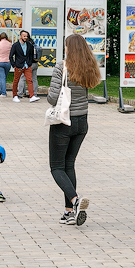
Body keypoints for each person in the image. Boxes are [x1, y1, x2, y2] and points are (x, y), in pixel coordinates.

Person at [46, 34, 102, 225]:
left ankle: (75, 200)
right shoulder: (88, 67)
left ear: (69, 47)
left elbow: (52, 99)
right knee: (69, 165)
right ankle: (69, 212)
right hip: (82, 122)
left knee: (56, 167)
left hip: (64, 122)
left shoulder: (62, 67)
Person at [11, 30, 39, 102]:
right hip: (19, 66)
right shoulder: (15, 45)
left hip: (27, 65)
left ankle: (32, 96)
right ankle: (14, 95)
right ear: (20, 36)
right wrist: (14, 65)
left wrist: (29, 62)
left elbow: (31, 55)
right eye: (24, 36)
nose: (26, 37)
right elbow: (11, 56)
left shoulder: (29, 45)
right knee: (16, 81)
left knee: (30, 80)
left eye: (26, 36)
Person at [0, 32, 12, 98]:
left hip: (0, 62)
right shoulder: (10, 44)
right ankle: (2, 91)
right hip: (7, 62)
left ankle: (3, 92)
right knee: (4, 78)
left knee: (2, 78)